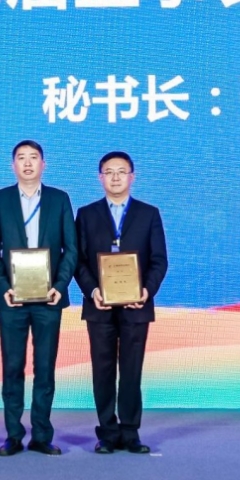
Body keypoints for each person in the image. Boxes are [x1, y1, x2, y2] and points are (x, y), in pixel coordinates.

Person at [0, 140, 77, 456]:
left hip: (48, 298)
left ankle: (41, 435)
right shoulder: (0, 199)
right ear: (13, 165)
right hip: (12, 298)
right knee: (12, 368)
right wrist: (2, 285)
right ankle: (13, 435)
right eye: (21, 158)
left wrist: (60, 285)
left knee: (45, 368)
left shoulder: (59, 199)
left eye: (33, 157)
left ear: (43, 164)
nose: (27, 163)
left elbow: (71, 249)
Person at [74, 151, 168, 454]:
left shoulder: (148, 213)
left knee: (131, 370)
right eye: (109, 172)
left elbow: (159, 260)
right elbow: (78, 260)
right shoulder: (86, 214)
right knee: (102, 371)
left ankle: (130, 432)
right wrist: (92, 291)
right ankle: (107, 432)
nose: (115, 177)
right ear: (100, 177)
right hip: (99, 306)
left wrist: (146, 291)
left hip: (136, 306)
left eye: (121, 171)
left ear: (132, 177)